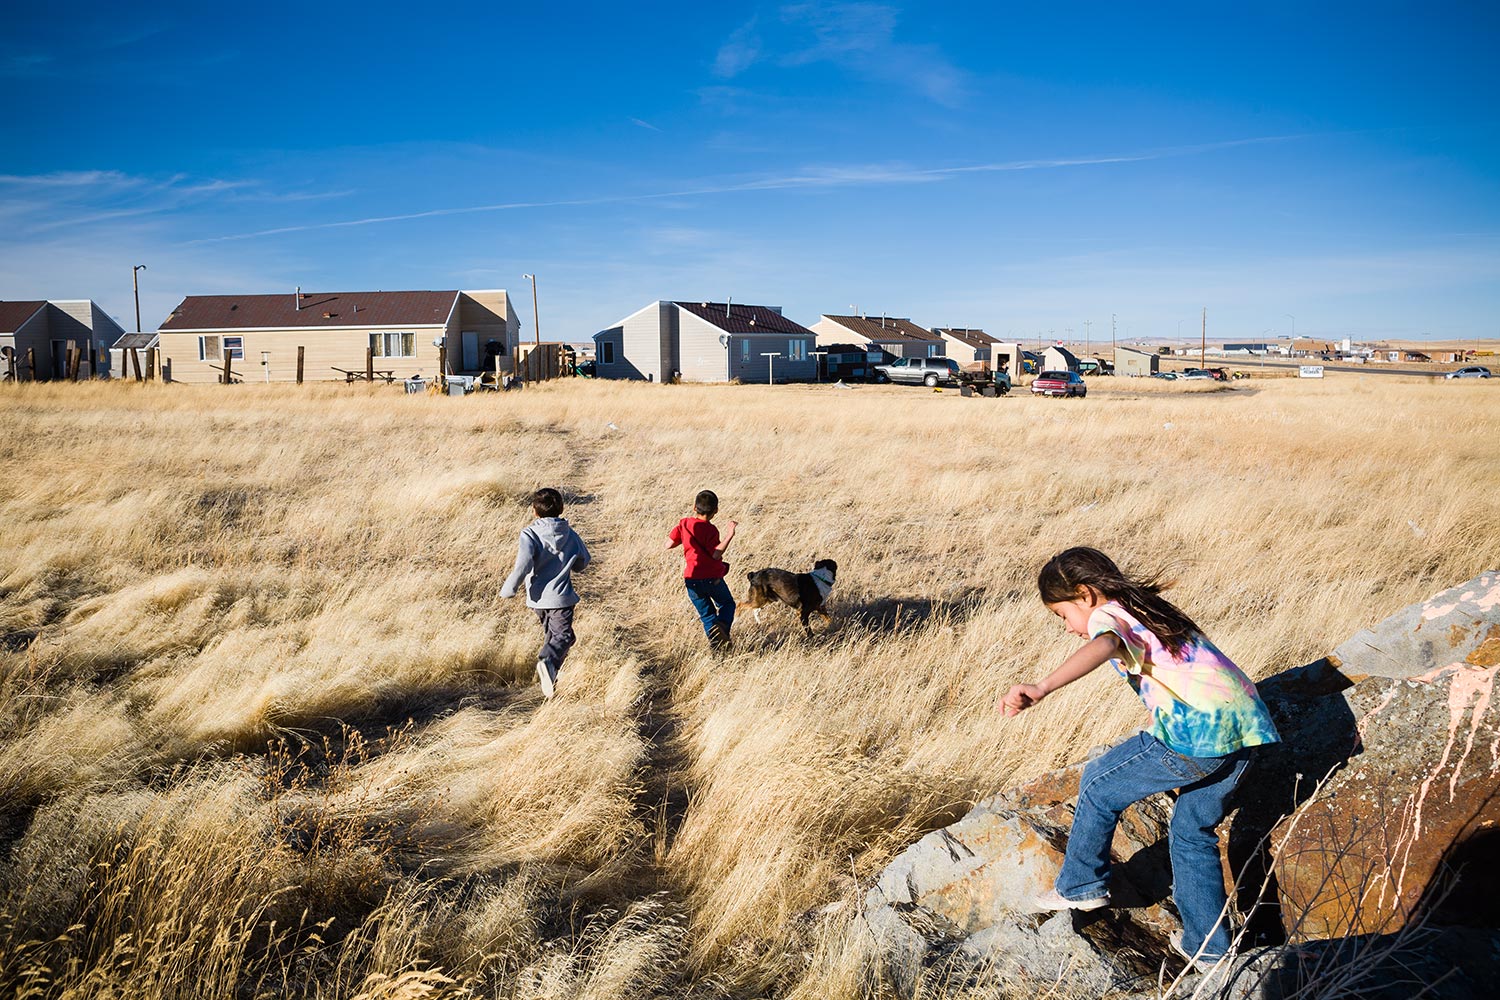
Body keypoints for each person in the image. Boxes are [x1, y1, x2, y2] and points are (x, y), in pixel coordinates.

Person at [1002, 547, 1279, 970]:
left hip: (1195, 734)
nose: (1067, 627)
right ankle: (1209, 948)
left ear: (1085, 593)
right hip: (1246, 731)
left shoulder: (1107, 617)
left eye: (1062, 615)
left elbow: (1106, 643)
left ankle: (1080, 884)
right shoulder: (1145, 608)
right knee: (1191, 830)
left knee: (1098, 783)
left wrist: (1041, 687)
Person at [500, 487, 590, 698]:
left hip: (537, 599)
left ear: (535, 511)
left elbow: (522, 565)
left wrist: (510, 588)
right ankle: (547, 662)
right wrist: (571, 562)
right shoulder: (569, 533)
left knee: (555, 637)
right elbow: (583, 561)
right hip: (561, 598)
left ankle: (551, 683)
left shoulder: (529, 533)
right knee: (564, 637)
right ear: (561, 508)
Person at [667, 490, 737, 648]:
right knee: (727, 604)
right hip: (712, 578)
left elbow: (668, 545)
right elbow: (715, 554)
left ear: (694, 507)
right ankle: (722, 628)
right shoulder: (711, 530)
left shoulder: (683, 524)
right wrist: (730, 534)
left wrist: (686, 540)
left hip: (691, 579)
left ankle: (718, 648)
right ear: (716, 510)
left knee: (707, 616)